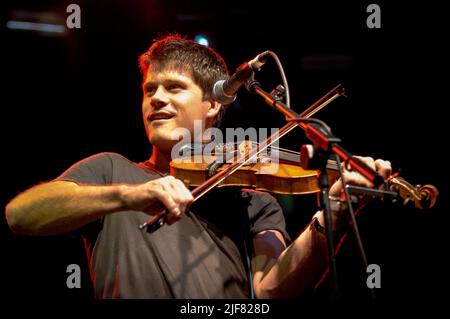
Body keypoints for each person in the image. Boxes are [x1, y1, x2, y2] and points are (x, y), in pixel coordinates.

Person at [5, 34, 392, 299]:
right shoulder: (111, 171)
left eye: (174, 88)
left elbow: (271, 289)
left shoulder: (251, 200)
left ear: (213, 104)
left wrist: (334, 215)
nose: (156, 98)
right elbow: (20, 215)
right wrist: (131, 195)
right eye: (149, 90)